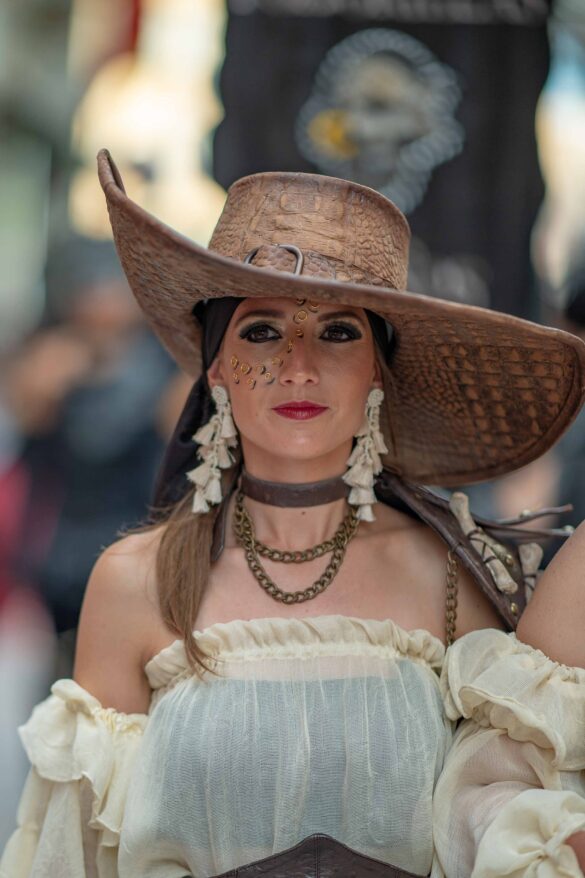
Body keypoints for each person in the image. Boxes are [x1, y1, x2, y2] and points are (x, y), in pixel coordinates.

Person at [2, 149, 585, 878]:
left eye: (338, 332)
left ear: (377, 370)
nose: (298, 366)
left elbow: (497, 815)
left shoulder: (450, 576)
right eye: (261, 331)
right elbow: (75, 858)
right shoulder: (136, 582)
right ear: (216, 368)